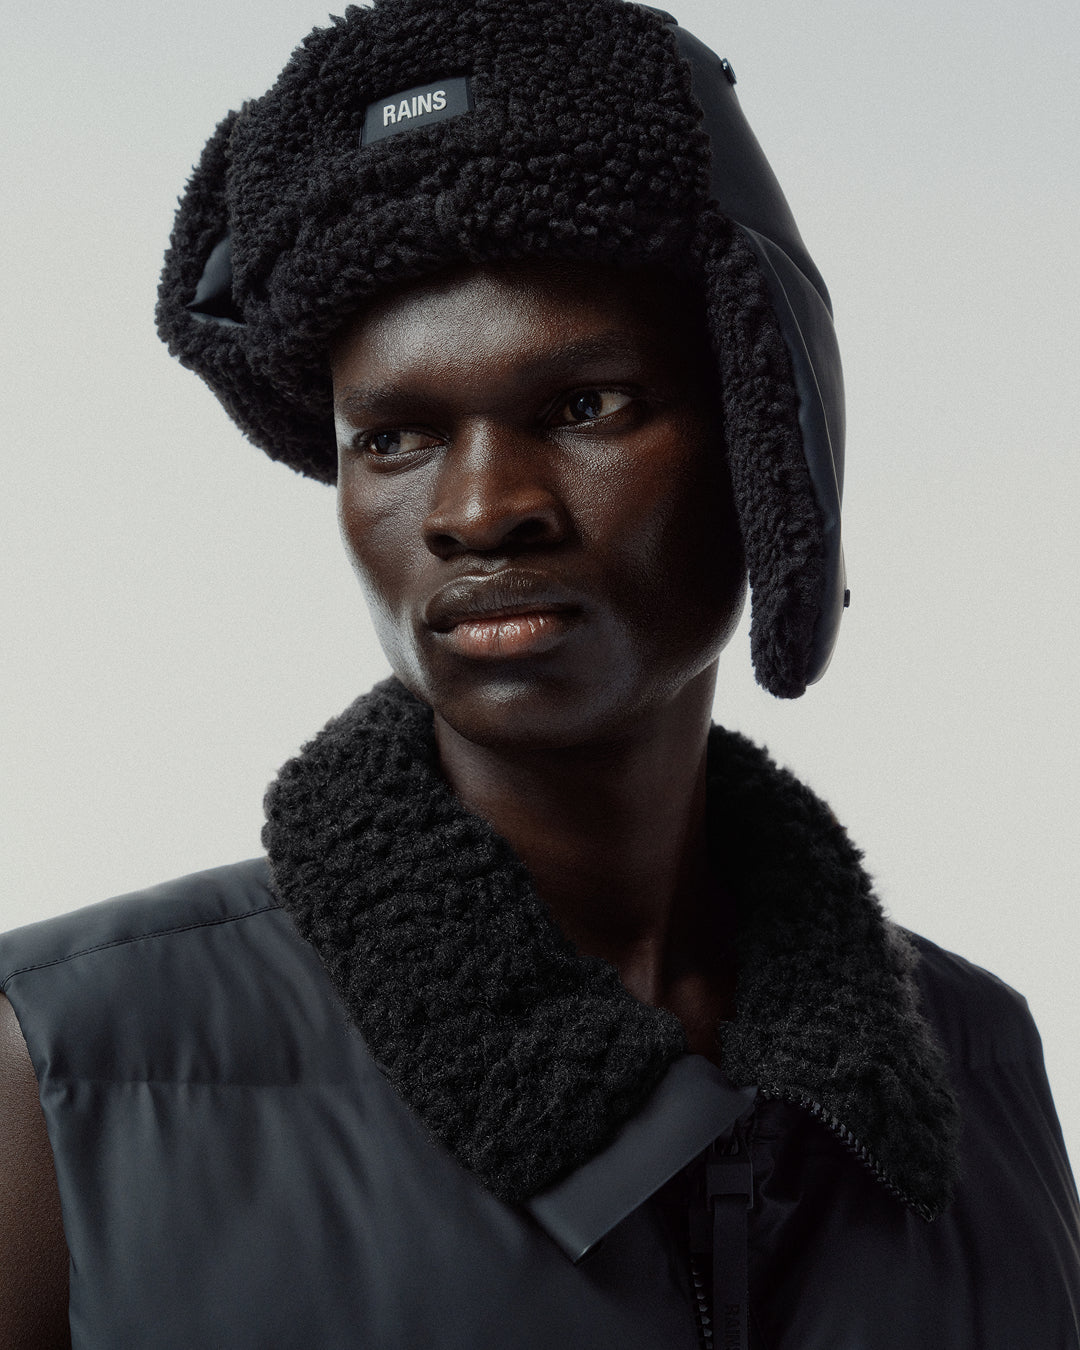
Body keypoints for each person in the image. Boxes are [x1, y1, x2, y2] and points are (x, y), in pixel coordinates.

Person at [2, 1, 1078, 1346]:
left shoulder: (982, 1063)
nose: (478, 509)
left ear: (769, 438)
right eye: (394, 437)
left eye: (584, 407)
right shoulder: (62, 1067)